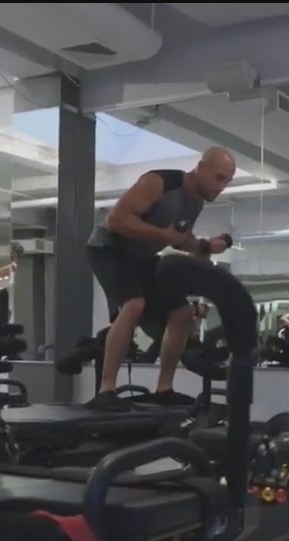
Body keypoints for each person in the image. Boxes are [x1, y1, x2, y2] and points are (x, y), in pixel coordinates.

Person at [84, 147, 236, 411]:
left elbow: (180, 239)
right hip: (109, 249)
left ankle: (164, 390)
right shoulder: (159, 182)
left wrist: (207, 246)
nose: (222, 187)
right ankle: (106, 390)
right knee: (134, 304)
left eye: (228, 181)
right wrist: (163, 235)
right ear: (200, 168)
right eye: (219, 178)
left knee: (182, 314)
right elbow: (116, 221)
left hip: (142, 257)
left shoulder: (196, 202)